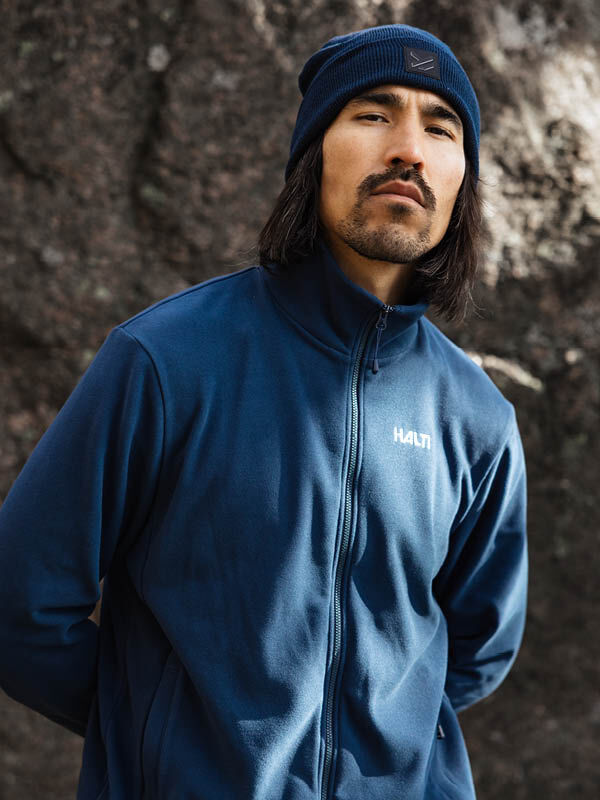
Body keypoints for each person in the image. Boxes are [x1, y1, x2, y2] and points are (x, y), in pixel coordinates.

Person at [0, 23, 527, 800]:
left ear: (461, 181)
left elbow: (479, 645)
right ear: (314, 153)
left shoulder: (478, 419)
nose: (410, 148)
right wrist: (159, 737)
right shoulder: (166, 360)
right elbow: (21, 604)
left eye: (440, 126)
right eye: (374, 114)